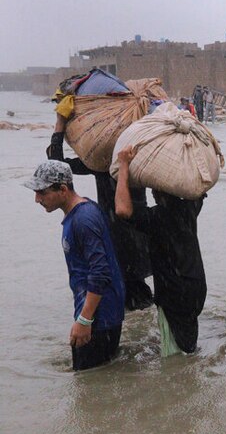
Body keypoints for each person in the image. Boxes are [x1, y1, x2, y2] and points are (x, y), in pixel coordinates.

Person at [47, 95, 154, 311]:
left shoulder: (102, 164)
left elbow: (58, 165)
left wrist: (60, 125)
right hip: (140, 238)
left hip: (116, 240)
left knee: (125, 301)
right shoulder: (138, 159)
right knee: (139, 301)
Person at [25, 160, 125, 371]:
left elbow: (100, 271)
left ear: (63, 190)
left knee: (88, 382)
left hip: (99, 317)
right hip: (100, 313)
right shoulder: (82, 212)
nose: (37, 199)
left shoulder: (83, 219)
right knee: (100, 376)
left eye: (42, 192)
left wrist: (85, 320)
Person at [114, 146, 207, 356]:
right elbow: (201, 185)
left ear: (156, 193)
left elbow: (122, 209)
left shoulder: (155, 218)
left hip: (172, 291)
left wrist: (124, 165)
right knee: (188, 340)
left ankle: (182, 372)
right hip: (195, 286)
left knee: (175, 351)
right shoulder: (190, 208)